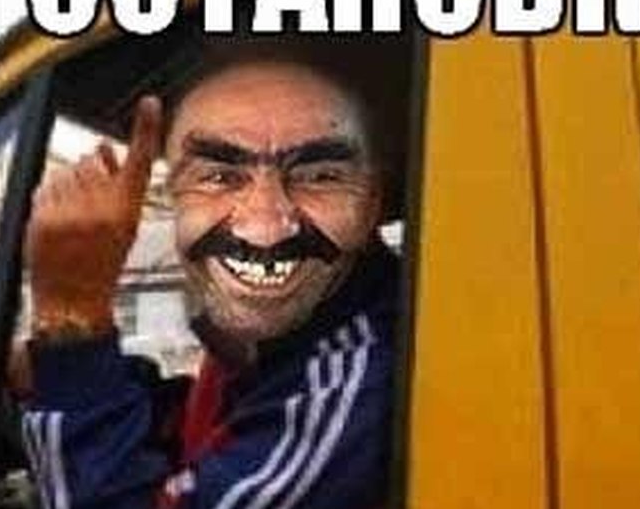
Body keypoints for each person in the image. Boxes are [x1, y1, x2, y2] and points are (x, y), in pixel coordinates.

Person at [21, 37, 399, 509]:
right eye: (219, 177)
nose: (263, 229)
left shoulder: (357, 378)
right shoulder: (294, 332)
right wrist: (56, 369)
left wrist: (71, 316)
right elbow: (216, 427)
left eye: (317, 176)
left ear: (371, 202)